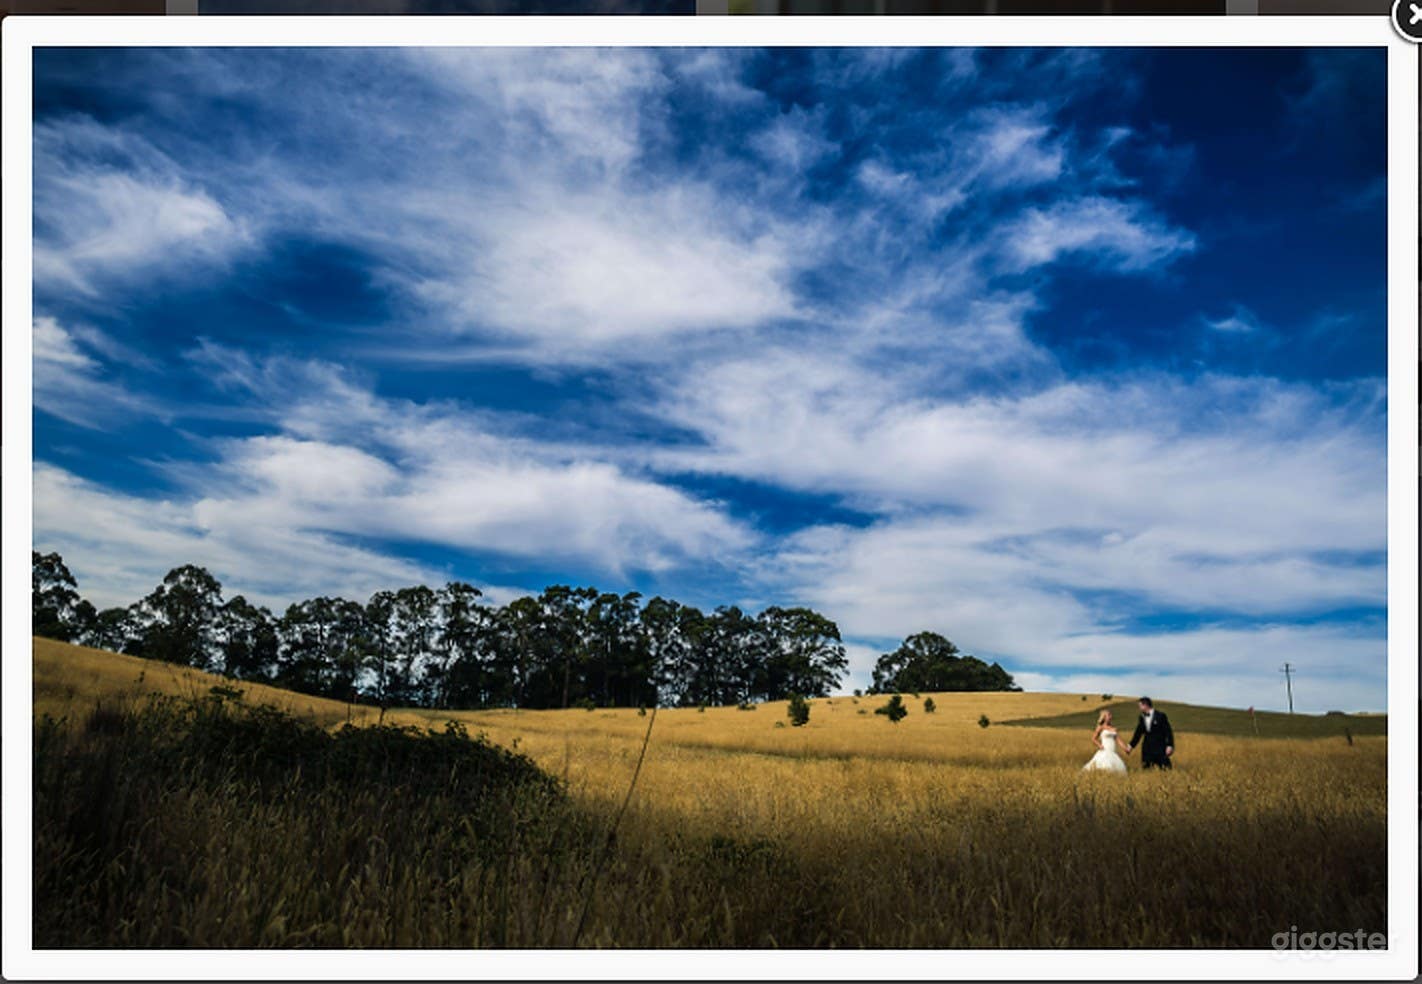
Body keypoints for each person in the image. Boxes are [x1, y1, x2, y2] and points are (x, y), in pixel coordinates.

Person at [1126, 696, 1174, 770]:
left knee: (1166, 769)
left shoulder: (1160, 716)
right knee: (1146, 770)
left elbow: (1168, 731)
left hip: (1160, 748)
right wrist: (1131, 746)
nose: (1139, 708)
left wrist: (1170, 745)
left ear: (1145, 705)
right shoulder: (1141, 717)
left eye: (1140, 706)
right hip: (1147, 749)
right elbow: (1138, 733)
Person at [1081, 708, 1129, 773]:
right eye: (1108, 715)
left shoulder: (1113, 728)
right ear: (1104, 717)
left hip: (1112, 751)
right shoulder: (1100, 727)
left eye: (1110, 715)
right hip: (1104, 750)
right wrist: (1099, 745)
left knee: (1115, 768)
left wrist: (1125, 748)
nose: (1110, 717)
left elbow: (1118, 740)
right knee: (1105, 766)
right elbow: (1093, 738)